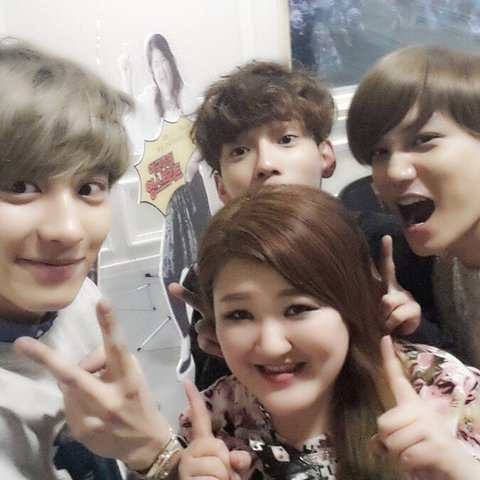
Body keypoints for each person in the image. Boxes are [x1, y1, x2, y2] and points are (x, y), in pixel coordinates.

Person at [17, 186, 480, 479]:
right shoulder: (215, 422)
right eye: (240, 315)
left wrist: (459, 470)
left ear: (349, 304)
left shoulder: (447, 394)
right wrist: (163, 468)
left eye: (298, 309)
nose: (272, 344)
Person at [170, 60, 437, 390]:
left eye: (285, 139)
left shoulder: (387, 244)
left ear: (326, 157)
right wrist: (224, 350)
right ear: (221, 187)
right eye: (239, 151)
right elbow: (217, 403)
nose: (266, 164)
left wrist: (413, 326)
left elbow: (462, 384)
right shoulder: (218, 271)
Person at [0, 39, 138, 479]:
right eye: (20, 186)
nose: (69, 230)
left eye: (88, 188)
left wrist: (160, 460)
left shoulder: (79, 301)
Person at [347, 44, 480, 367]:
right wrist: (417, 328)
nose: (395, 172)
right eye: (379, 152)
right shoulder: (446, 265)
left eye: (423, 140)